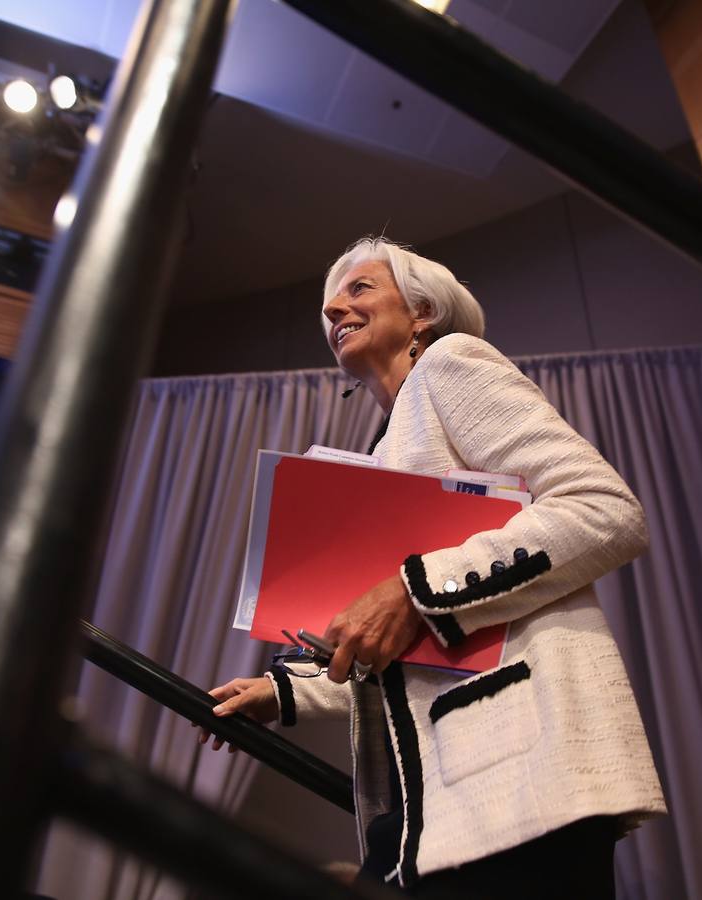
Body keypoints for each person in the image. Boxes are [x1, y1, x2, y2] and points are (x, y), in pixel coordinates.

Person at [202, 236, 665, 896]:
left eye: (359, 288)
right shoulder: (388, 445)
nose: (335, 307)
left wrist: (416, 591)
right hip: (436, 806)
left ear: (422, 311)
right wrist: (283, 694)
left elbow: (604, 509)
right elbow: (413, 644)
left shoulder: (452, 363)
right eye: (329, 302)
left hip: (519, 788)